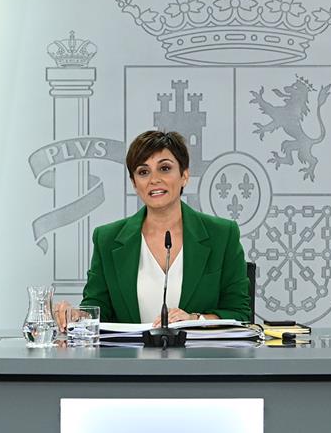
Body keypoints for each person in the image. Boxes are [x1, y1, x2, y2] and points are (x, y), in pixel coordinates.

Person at [58, 130, 251, 326]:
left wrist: (195, 320)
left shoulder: (222, 234)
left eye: (165, 168)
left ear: (184, 176)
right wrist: (77, 316)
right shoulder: (107, 239)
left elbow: (240, 314)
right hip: (129, 356)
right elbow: (98, 307)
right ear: (134, 183)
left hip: (199, 356)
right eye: (143, 172)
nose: (154, 179)